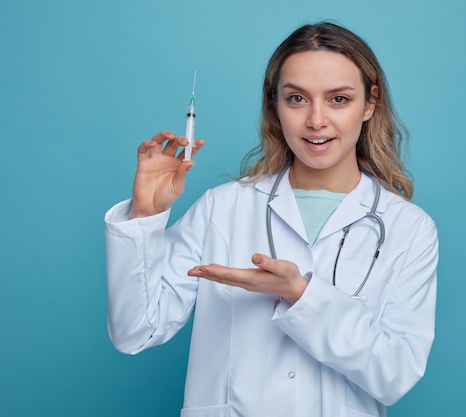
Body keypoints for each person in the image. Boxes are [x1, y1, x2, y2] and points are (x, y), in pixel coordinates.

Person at [105, 21, 438, 417]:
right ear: (274, 104)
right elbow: (134, 332)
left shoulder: (410, 229)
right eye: (297, 98)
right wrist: (144, 214)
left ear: (369, 104)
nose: (316, 120)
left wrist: (302, 294)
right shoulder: (223, 209)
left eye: (338, 99)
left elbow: (395, 375)